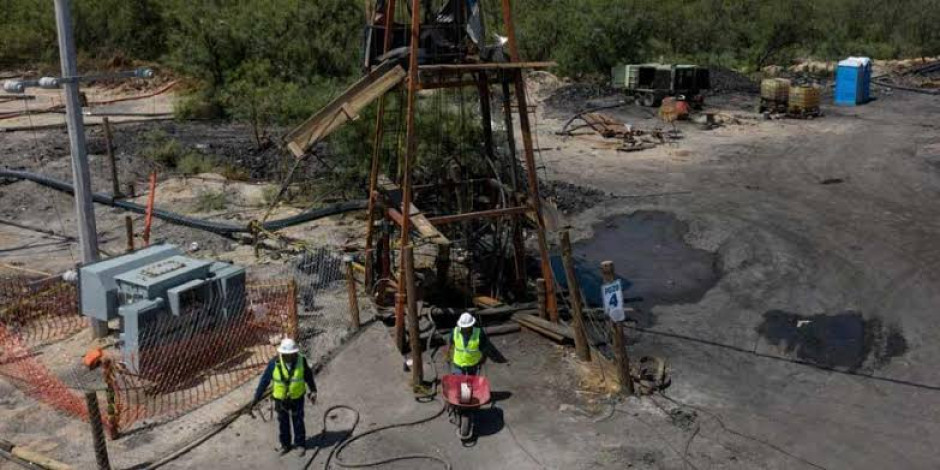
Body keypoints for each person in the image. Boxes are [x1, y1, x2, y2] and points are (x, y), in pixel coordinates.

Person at [253, 338, 317, 456]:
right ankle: (285, 445)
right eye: (286, 354)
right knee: (283, 423)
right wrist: (256, 397)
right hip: (280, 399)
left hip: (297, 397)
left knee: (298, 421)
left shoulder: (301, 361)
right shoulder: (274, 363)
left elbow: (308, 376)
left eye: (291, 354)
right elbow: (265, 381)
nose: (289, 357)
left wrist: (313, 390)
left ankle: (300, 444)